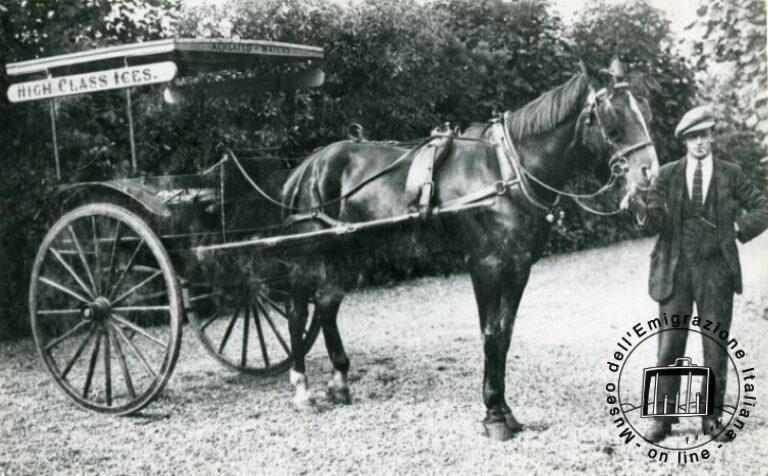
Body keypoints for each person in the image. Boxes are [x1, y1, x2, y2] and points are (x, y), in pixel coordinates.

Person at [632, 105, 768, 442]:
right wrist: (636, 205)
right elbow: (653, 221)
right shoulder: (667, 174)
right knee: (668, 345)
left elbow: (763, 206)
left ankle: (712, 418)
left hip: (716, 272)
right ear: (684, 141)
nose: (700, 142)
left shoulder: (731, 174)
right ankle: (663, 419)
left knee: (714, 345)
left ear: (712, 136)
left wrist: (738, 226)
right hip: (674, 272)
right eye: (693, 137)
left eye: (704, 135)